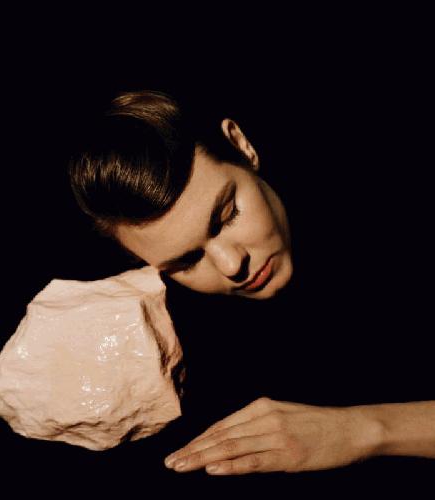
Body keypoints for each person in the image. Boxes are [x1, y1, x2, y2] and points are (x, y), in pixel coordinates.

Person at [68, 90, 435, 475]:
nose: (231, 265)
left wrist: (364, 431)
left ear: (241, 145)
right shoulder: (183, 355)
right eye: (188, 261)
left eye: (227, 216)